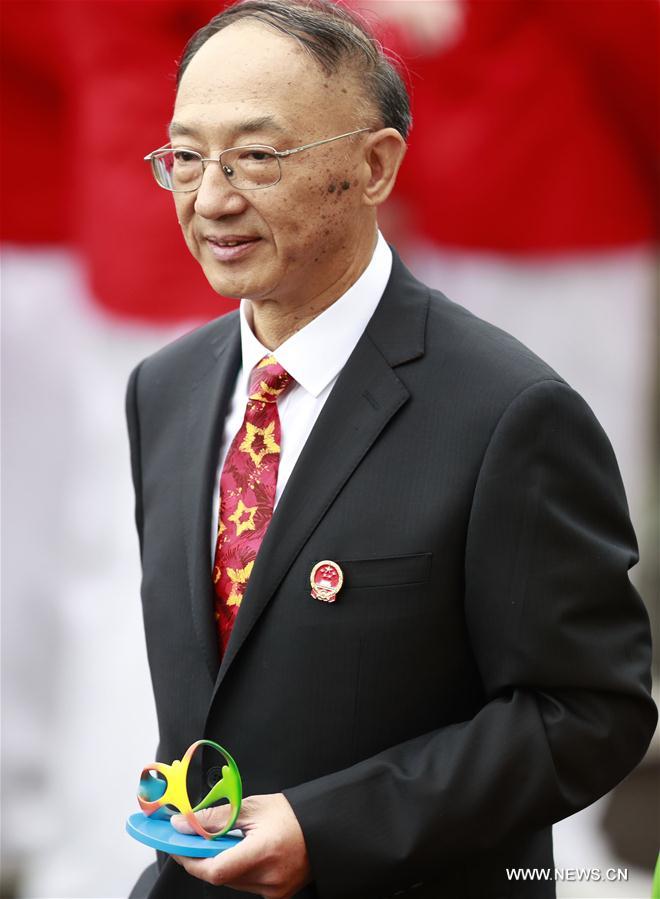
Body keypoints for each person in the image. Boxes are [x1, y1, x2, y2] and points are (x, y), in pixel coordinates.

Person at [125, 2, 656, 897]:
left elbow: (588, 710)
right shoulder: (167, 388)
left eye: (257, 156)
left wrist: (325, 829)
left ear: (375, 166)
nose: (211, 198)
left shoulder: (508, 413)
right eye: (186, 156)